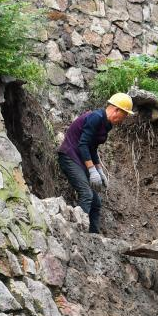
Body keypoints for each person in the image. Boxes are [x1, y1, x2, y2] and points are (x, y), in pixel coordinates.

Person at [57, 93, 135, 233]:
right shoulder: (95, 118)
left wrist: (99, 170)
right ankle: (80, 232)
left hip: (80, 159)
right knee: (87, 194)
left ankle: (94, 236)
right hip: (69, 156)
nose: (122, 120)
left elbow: (92, 148)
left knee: (96, 202)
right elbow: (83, 145)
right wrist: (92, 171)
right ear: (116, 110)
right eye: (123, 116)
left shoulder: (107, 124)